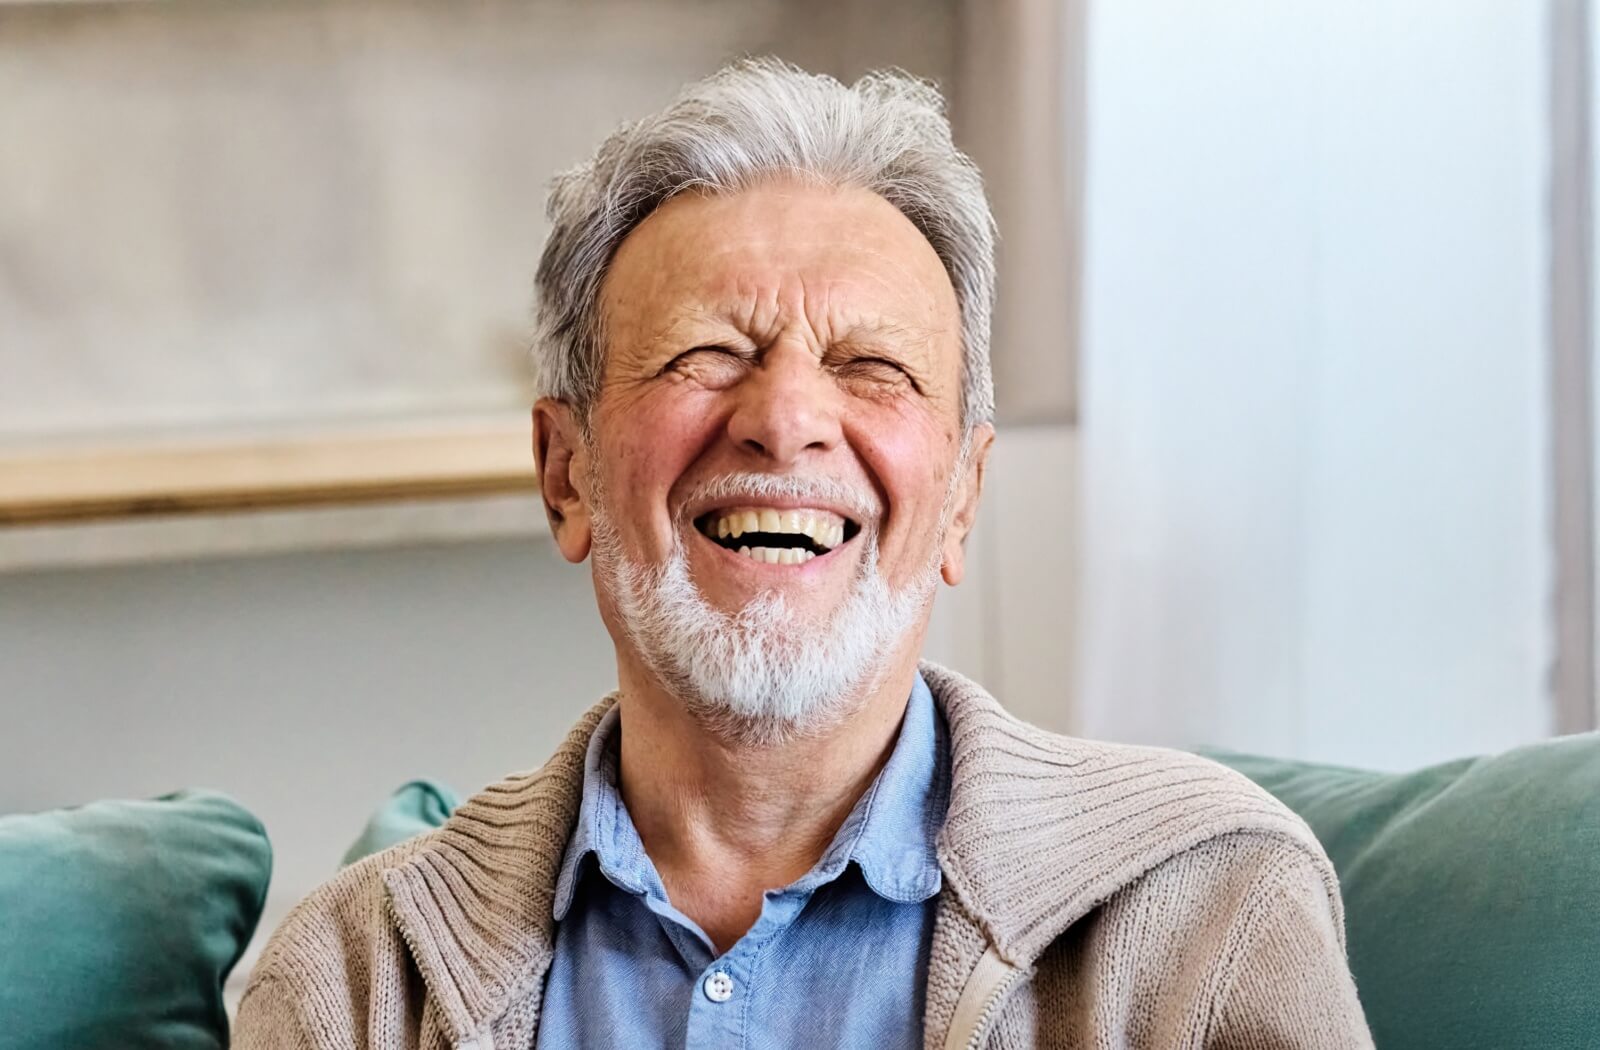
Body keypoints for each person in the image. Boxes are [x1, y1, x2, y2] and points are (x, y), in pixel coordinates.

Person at [235, 58, 1372, 1049]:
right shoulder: (353, 979)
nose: (785, 420)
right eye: (706, 353)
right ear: (565, 471)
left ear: (963, 495)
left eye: (872, 365)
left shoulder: (1205, 909)